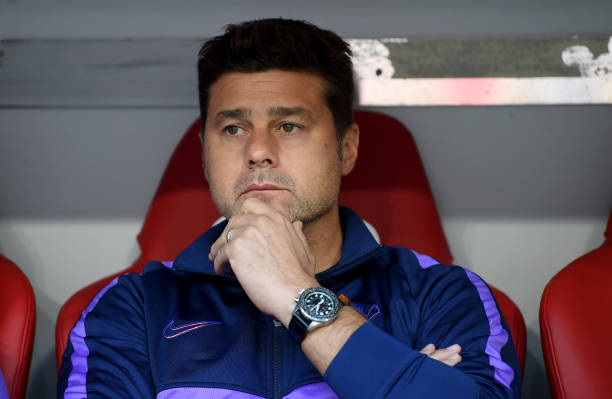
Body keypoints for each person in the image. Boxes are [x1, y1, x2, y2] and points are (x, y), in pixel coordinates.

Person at [58, 18, 521, 398]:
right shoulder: (130, 308)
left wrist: (298, 296)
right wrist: (397, 379)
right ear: (203, 152)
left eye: (290, 126)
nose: (259, 151)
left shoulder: (440, 295)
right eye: (234, 129)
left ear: (347, 147)